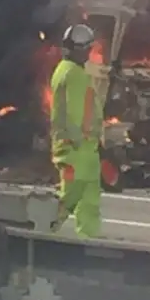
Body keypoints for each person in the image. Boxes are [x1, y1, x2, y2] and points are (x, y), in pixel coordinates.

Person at [49, 23, 103, 237]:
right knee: (70, 195)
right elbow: (74, 114)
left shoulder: (71, 71)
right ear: (78, 49)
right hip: (75, 148)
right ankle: (43, 226)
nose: (89, 53)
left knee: (89, 198)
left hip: (87, 149)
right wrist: (78, 141)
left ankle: (89, 237)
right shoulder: (72, 73)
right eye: (87, 48)